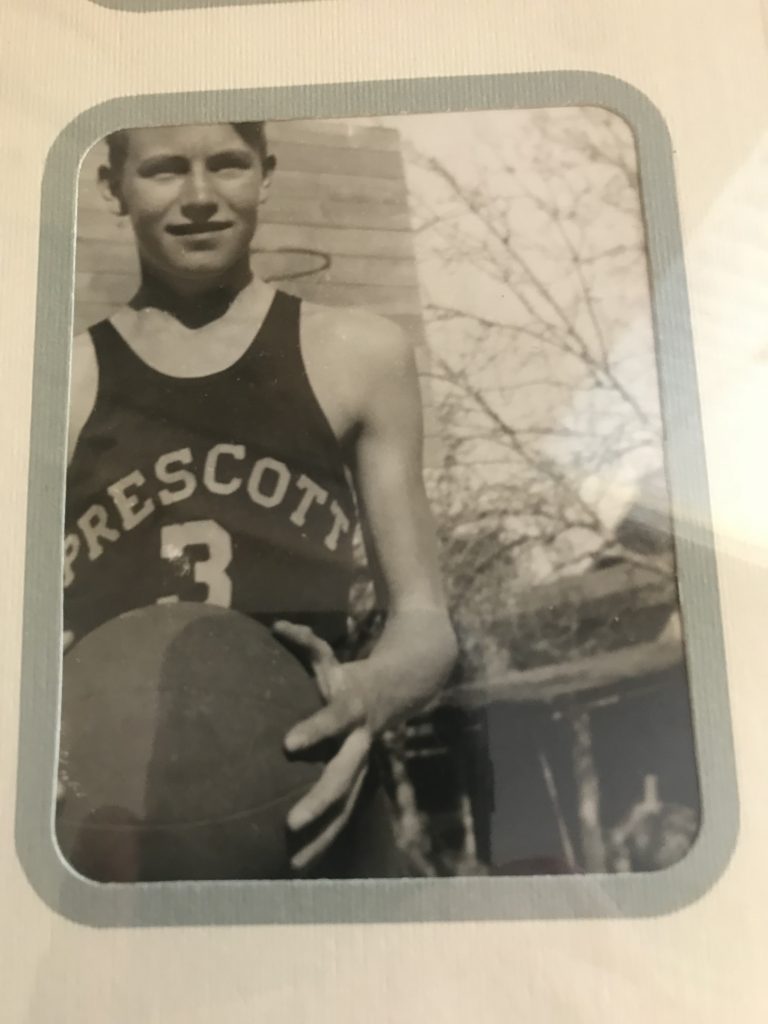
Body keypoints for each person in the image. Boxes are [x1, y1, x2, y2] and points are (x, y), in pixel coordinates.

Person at [62, 121, 458, 876]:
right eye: (165, 169)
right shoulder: (57, 383)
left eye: (228, 164)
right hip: (122, 828)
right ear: (113, 187)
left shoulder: (357, 353)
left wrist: (368, 692)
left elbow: (425, 622)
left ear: (266, 174)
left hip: (315, 805)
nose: (200, 196)